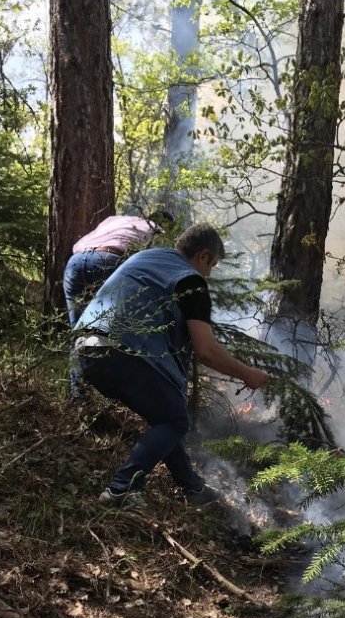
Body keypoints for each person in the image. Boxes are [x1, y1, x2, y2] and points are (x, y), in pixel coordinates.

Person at [73, 223, 271, 508]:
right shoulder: (190, 281)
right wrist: (248, 374)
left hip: (87, 348)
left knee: (165, 417)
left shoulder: (148, 257)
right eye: (212, 264)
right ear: (202, 255)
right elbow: (206, 350)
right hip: (123, 351)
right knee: (175, 420)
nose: (209, 272)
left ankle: (192, 488)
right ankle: (122, 488)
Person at [63, 214, 164, 399]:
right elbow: (153, 265)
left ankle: (78, 396)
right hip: (108, 261)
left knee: (79, 332)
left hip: (76, 262)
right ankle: (114, 393)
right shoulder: (155, 229)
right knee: (110, 331)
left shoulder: (113, 219)